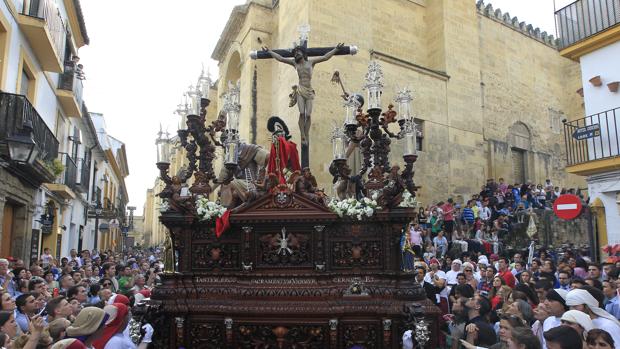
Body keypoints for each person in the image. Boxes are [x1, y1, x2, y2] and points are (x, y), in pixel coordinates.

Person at [262, 42, 344, 146]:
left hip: (309, 91)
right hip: (300, 90)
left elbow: (325, 57)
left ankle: (306, 133)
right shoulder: (294, 63)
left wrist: (336, 49)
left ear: (303, 53)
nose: (296, 54)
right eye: (295, 53)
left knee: (308, 115)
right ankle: (303, 135)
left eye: (298, 52)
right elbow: (281, 58)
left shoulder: (311, 62)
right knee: (301, 113)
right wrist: (269, 51)